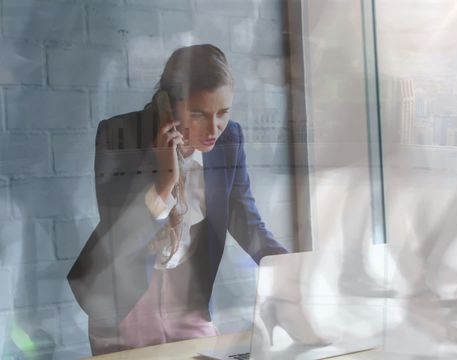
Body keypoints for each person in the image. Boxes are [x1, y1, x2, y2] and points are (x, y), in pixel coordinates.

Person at [67, 44, 290, 355]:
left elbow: (246, 220)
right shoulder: (118, 135)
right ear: (169, 106)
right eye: (199, 113)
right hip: (127, 300)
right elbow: (120, 235)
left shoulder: (230, 139)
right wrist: (164, 182)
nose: (214, 129)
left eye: (223, 112)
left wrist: (292, 269)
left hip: (190, 304)